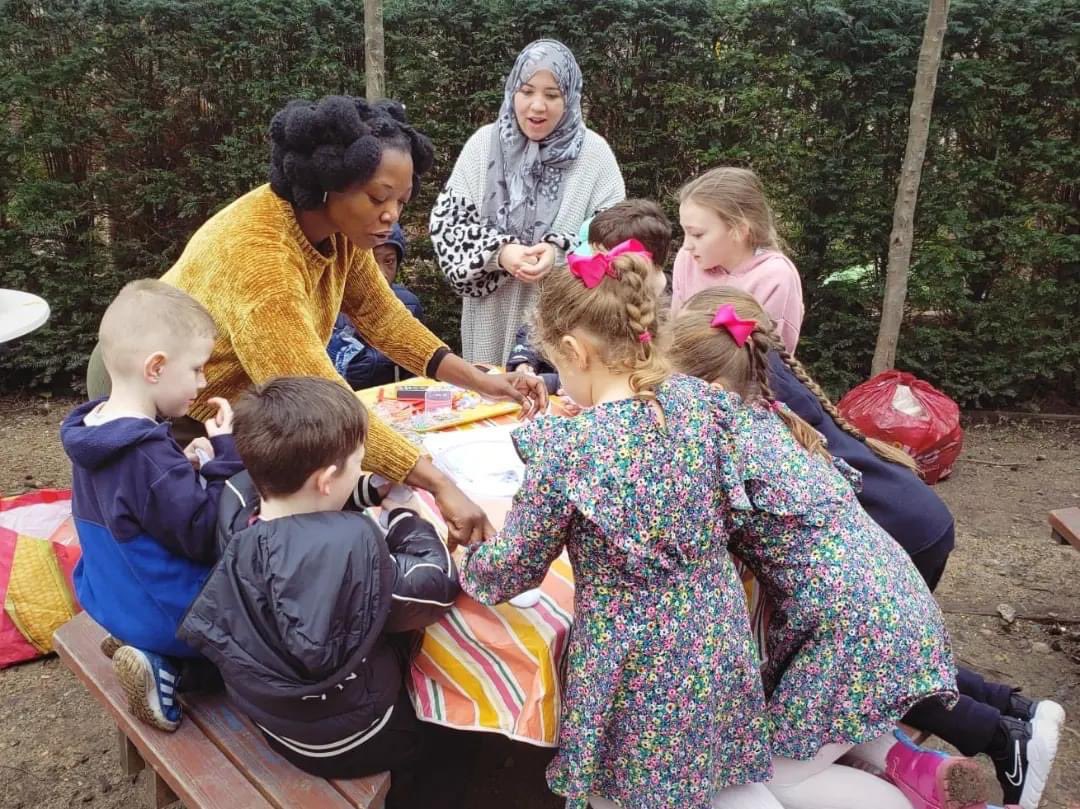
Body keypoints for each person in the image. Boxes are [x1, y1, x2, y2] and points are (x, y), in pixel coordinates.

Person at [86, 94, 546, 547]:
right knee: (200, 538)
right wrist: (438, 482)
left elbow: (383, 316)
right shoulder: (260, 259)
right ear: (328, 182)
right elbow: (319, 400)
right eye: (378, 198)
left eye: (402, 202)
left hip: (212, 394)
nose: (391, 216)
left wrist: (482, 383)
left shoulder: (343, 231)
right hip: (156, 390)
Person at [673, 285, 1065, 809]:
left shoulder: (724, 444)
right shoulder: (776, 420)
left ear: (711, 388)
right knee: (820, 730)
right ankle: (920, 775)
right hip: (891, 608)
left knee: (774, 776)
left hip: (855, 634)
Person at [458, 249, 777, 809]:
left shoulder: (569, 448)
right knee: (717, 781)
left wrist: (466, 559)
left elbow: (511, 571)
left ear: (575, 352)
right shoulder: (704, 402)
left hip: (633, 663)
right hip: (718, 630)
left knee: (626, 793)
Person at [179, 377, 472, 808]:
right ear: (327, 479)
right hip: (352, 738)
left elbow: (300, 493)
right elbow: (432, 585)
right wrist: (408, 521)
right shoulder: (350, 552)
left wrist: (368, 489)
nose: (363, 470)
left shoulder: (237, 502)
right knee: (448, 745)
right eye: (358, 465)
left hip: (271, 717)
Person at [60, 280, 243, 732]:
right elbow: (206, 534)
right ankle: (166, 668)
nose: (202, 383)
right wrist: (226, 456)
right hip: (171, 613)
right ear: (157, 367)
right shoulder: (148, 457)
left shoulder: (96, 429)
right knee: (250, 654)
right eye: (197, 369)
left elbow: (133, 502)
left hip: (112, 595)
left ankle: (138, 638)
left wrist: (184, 467)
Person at [431, 39, 625, 364]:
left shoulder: (594, 154)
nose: (537, 106)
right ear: (512, 92)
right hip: (488, 321)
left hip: (566, 327)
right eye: (526, 91)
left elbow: (617, 238)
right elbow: (447, 228)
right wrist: (500, 253)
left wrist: (560, 253)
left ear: (571, 97)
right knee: (493, 408)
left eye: (552, 95)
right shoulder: (483, 146)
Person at [506, 199, 673, 395]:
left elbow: (606, 373)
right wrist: (524, 359)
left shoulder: (662, 309)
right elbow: (545, 323)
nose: (595, 265)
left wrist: (549, 382)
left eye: (603, 258)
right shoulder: (597, 288)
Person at [673, 167, 804, 354]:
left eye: (697, 234)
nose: (687, 245)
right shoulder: (687, 260)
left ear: (740, 230)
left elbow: (770, 361)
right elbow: (675, 335)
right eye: (684, 231)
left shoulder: (775, 277)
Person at [328, 223, 425, 388]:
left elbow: (415, 382)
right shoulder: (326, 306)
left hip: (386, 407)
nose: (380, 273)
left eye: (389, 261)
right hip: (336, 407)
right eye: (369, 261)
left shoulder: (407, 305)